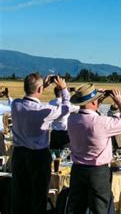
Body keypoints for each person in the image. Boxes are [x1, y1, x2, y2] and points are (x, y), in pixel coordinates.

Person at [10, 73, 71, 214]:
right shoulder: (44, 110)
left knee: (20, 194)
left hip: (19, 154)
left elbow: (29, 95)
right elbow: (66, 108)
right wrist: (64, 89)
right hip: (38, 156)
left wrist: (41, 86)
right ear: (39, 90)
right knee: (38, 196)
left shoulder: (16, 104)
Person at [67, 84, 121, 213]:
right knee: (100, 209)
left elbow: (88, 115)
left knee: (76, 209)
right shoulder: (101, 122)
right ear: (94, 102)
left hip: (77, 169)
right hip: (97, 172)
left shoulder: (72, 119)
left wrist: (96, 101)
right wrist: (120, 103)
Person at [49, 85, 80, 150]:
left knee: (54, 153)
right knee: (67, 152)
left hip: (54, 132)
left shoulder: (51, 102)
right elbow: (78, 108)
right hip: (64, 133)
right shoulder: (66, 105)